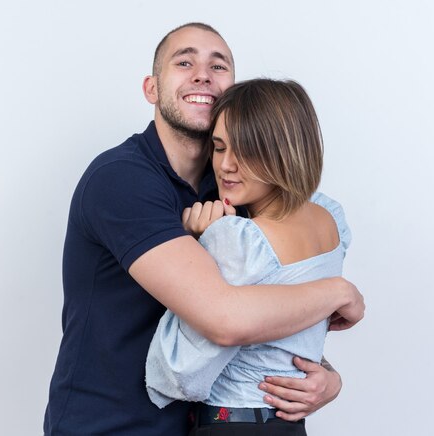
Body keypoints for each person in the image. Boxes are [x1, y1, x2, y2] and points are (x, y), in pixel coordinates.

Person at [43, 23, 364, 436]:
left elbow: (265, 309)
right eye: (184, 62)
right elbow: (226, 319)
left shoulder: (239, 188)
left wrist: (323, 375)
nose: (202, 74)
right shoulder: (121, 180)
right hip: (111, 425)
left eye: (219, 65)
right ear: (151, 89)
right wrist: (340, 292)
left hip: (198, 424)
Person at [146, 78, 351, 436]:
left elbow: (180, 372)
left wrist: (196, 243)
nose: (225, 165)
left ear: (283, 151)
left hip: (231, 424)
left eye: (246, 151)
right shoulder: (331, 218)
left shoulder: (238, 239)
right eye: (219, 147)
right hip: (289, 426)